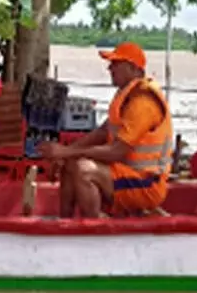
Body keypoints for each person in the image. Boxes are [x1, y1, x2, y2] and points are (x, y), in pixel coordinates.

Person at [39, 42, 173, 218]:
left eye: (116, 64)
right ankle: (65, 222)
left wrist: (66, 151)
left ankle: (95, 227)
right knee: (70, 164)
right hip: (127, 173)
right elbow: (102, 132)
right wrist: (66, 154)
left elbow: (117, 152)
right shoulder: (126, 95)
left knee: (83, 170)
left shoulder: (143, 102)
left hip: (146, 183)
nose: (110, 68)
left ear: (133, 68)